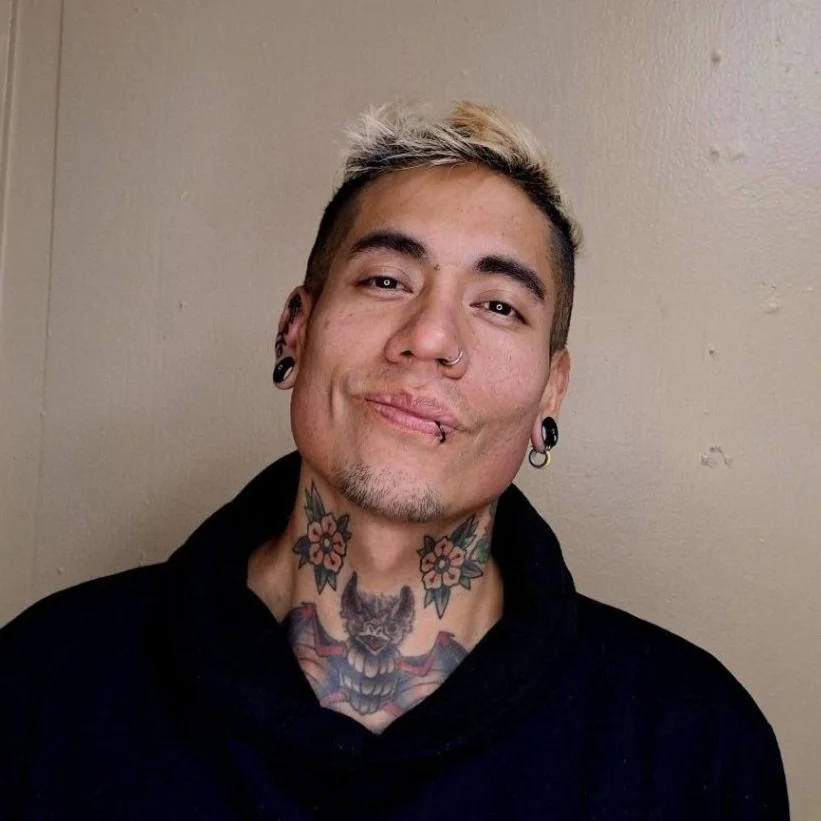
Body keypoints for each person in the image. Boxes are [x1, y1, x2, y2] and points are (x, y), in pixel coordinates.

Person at [0, 102, 788, 820]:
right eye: (385, 279)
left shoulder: (695, 745)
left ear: (551, 390)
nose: (430, 337)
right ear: (295, 328)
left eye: (499, 305)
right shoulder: (45, 680)